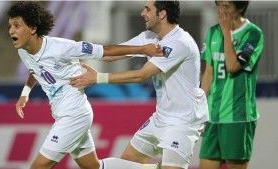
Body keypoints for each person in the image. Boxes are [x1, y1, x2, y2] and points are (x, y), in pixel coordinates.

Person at [8, 2, 164, 169]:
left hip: (74, 115)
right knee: (94, 167)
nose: (11, 31)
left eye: (17, 26)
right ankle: (157, 168)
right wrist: (25, 93)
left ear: (32, 28)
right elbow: (35, 70)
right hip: (63, 114)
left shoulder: (62, 48)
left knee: (39, 166)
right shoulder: (23, 51)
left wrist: (143, 49)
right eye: (10, 26)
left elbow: (105, 52)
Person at [70, 1, 209, 169]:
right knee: (127, 162)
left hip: (183, 121)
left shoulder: (179, 42)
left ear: (162, 14)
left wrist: (97, 78)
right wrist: (70, 52)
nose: (143, 13)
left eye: (148, 9)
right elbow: (109, 55)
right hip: (160, 117)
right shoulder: (149, 38)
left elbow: (141, 74)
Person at [198, 1, 264, 169]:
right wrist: (198, 108)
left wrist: (227, 31)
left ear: (240, 7)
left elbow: (233, 66)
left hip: (238, 117)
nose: (221, 10)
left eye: (226, 5)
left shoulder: (253, 34)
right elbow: (208, 74)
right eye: (219, 4)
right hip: (213, 116)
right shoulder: (212, 32)